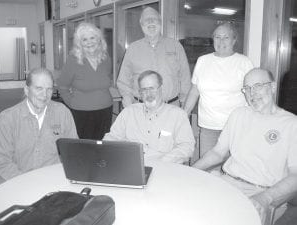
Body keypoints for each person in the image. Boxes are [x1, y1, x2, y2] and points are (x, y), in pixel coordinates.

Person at [193, 68, 297, 224]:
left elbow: (295, 175)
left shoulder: (291, 124)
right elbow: (218, 152)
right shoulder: (238, 114)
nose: (251, 93)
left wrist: (265, 198)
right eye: (247, 88)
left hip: (260, 191)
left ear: (273, 87)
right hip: (225, 182)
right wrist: (191, 170)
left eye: (258, 86)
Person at [183, 22, 254, 158]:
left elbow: (252, 95)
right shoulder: (202, 61)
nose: (221, 41)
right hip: (208, 127)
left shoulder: (244, 63)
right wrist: (184, 114)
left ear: (234, 40)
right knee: (208, 170)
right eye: (217, 37)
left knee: (233, 170)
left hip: (235, 128)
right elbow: (194, 91)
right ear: (213, 39)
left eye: (226, 37)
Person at [0, 68, 78, 182]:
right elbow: (1, 161)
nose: (44, 95)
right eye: (39, 88)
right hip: (19, 180)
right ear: (26, 90)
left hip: (53, 180)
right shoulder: (7, 119)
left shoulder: (62, 112)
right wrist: (27, 182)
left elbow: (73, 151)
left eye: (49, 89)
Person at [104, 70, 195, 164]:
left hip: (165, 168)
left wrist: (162, 162)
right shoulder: (129, 112)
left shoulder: (178, 115)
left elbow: (186, 147)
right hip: (131, 166)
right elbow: (111, 139)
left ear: (161, 88)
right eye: (144, 90)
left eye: (152, 88)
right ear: (140, 92)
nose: (149, 94)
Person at [117, 7, 191, 108]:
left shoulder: (175, 46)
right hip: (140, 107)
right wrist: (128, 103)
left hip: (170, 107)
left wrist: (185, 104)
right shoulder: (132, 49)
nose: (151, 22)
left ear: (160, 22)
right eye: (147, 20)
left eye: (154, 19)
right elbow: (123, 80)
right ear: (141, 24)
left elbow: (185, 77)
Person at [58, 22, 113, 140]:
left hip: (105, 110)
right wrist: (72, 103)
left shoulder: (106, 58)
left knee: (103, 145)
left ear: (98, 39)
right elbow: (62, 86)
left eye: (92, 38)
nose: (89, 42)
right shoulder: (73, 60)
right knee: (84, 148)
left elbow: (107, 78)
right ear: (79, 43)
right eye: (84, 39)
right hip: (81, 113)